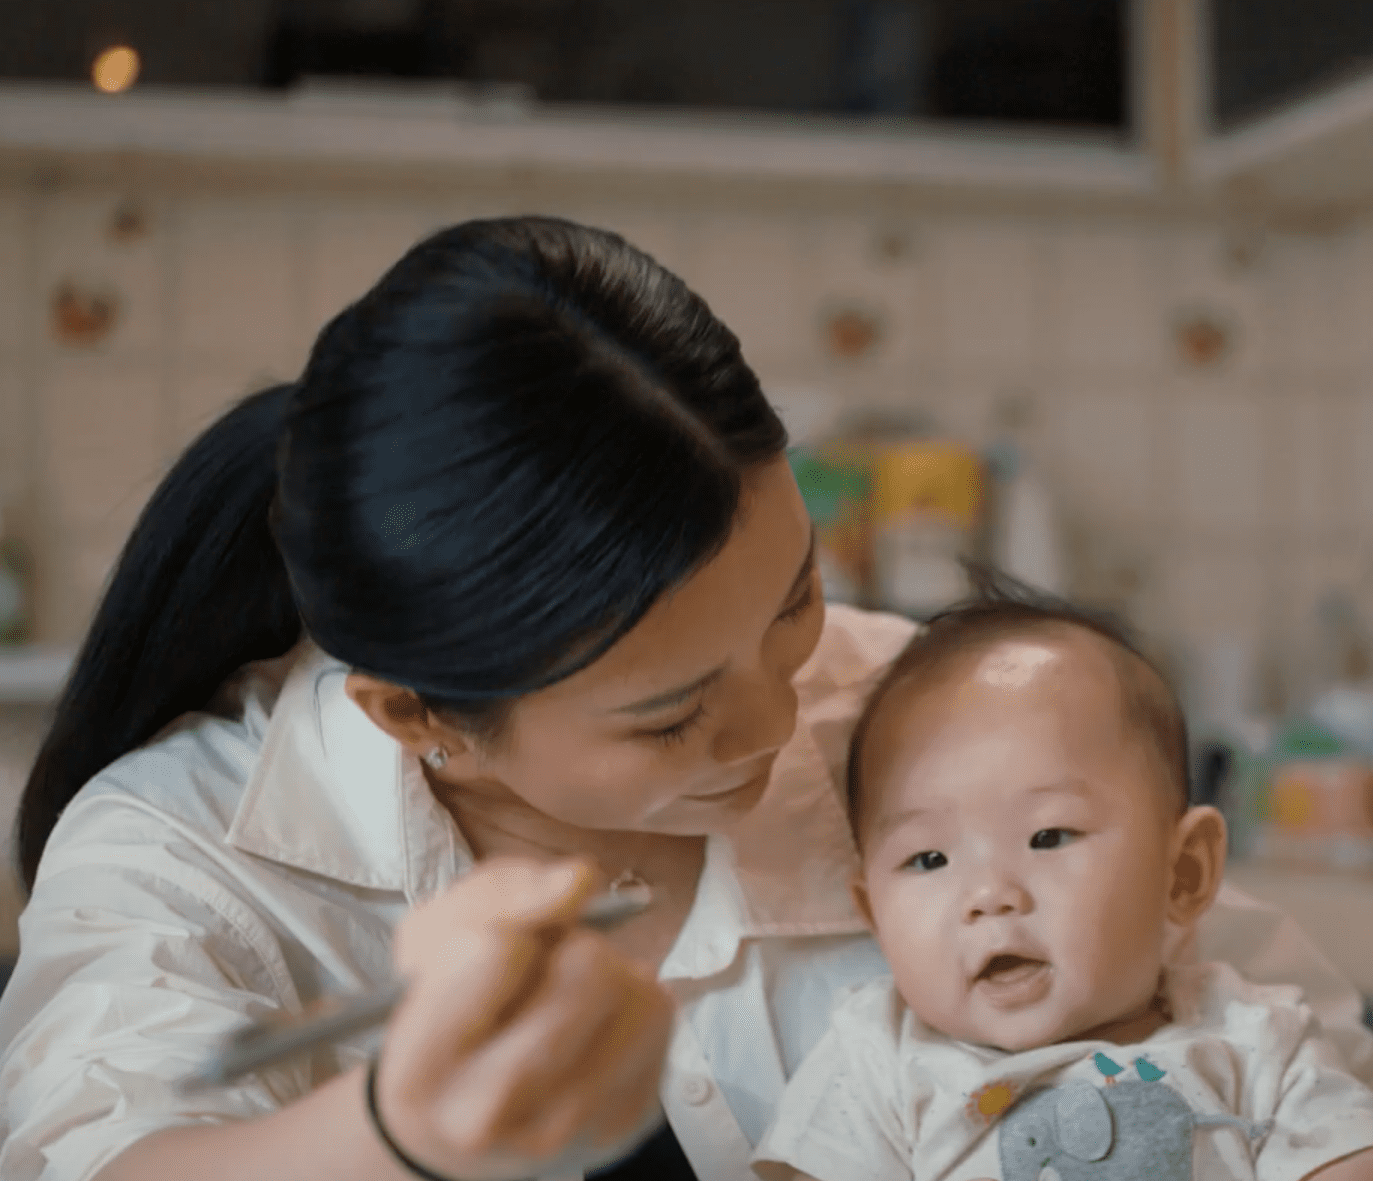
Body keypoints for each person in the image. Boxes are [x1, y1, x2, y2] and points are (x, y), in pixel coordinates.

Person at [0, 216, 1366, 1181]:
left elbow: (1268, 1014)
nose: (782, 725)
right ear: (417, 715)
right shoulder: (182, 849)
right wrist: (399, 1134)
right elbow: (107, 1153)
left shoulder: (935, 723)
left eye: (793, 606)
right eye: (669, 715)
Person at [752, 577, 1373, 1181]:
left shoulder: (1260, 1042)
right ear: (874, 916)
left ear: (1183, 871)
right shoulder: (876, 1061)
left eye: (1047, 837)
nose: (990, 896)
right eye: (929, 860)